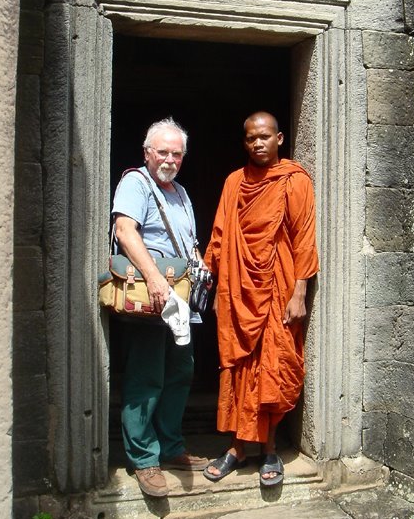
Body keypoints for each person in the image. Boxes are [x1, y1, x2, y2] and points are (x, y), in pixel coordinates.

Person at [203, 112, 319, 487]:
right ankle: (237, 448)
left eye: (265, 137)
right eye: (251, 138)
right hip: (237, 290)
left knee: (273, 367)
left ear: (280, 138)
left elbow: (304, 238)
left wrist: (300, 292)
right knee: (239, 369)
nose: (257, 143)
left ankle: (268, 449)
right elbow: (220, 236)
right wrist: (213, 284)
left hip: (278, 289)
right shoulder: (234, 182)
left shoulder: (294, 181)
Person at [112, 117, 207, 497]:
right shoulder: (136, 182)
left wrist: (199, 264)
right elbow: (125, 230)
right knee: (146, 377)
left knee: (180, 372)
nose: (170, 159)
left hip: (179, 300)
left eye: (177, 153)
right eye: (163, 152)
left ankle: (170, 447)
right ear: (147, 152)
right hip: (150, 296)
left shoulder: (180, 192)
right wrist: (153, 278)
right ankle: (144, 458)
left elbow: (188, 242)